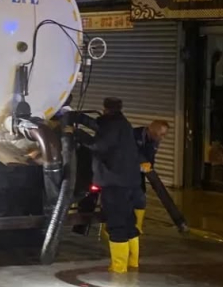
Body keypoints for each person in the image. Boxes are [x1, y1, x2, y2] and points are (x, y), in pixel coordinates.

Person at [72, 98, 142, 273]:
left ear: (105, 109)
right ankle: (133, 262)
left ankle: (118, 267)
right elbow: (100, 126)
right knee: (128, 221)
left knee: (116, 222)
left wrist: (77, 133)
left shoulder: (112, 126)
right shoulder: (121, 123)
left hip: (114, 181)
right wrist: (80, 118)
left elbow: (98, 145)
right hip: (129, 181)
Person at [133, 120, 170, 238]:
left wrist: (149, 167)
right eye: (161, 134)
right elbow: (128, 154)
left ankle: (137, 226)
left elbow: (151, 157)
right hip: (125, 172)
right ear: (152, 130)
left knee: (141, 198)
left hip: (139, 173)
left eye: (164, 135)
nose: (162, 138)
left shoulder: (155, 141)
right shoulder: (134, 135)